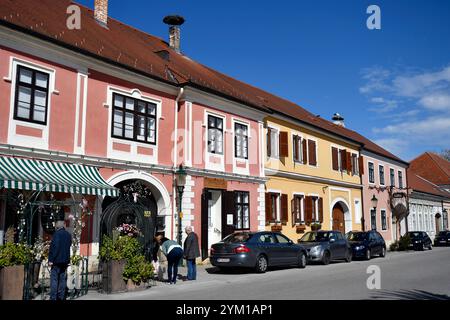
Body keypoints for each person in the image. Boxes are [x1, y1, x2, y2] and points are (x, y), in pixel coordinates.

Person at [48, 219, 72, 300]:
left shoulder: (56, 234)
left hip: (56, 261)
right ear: (63, 226)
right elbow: (69, 246)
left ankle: (53, 297)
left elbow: (55, 248)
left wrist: (51, 259)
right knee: (62, 279)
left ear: (57, 227)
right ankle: (61, 296)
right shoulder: (68, 235)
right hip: (65, 261)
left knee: (54, 280)